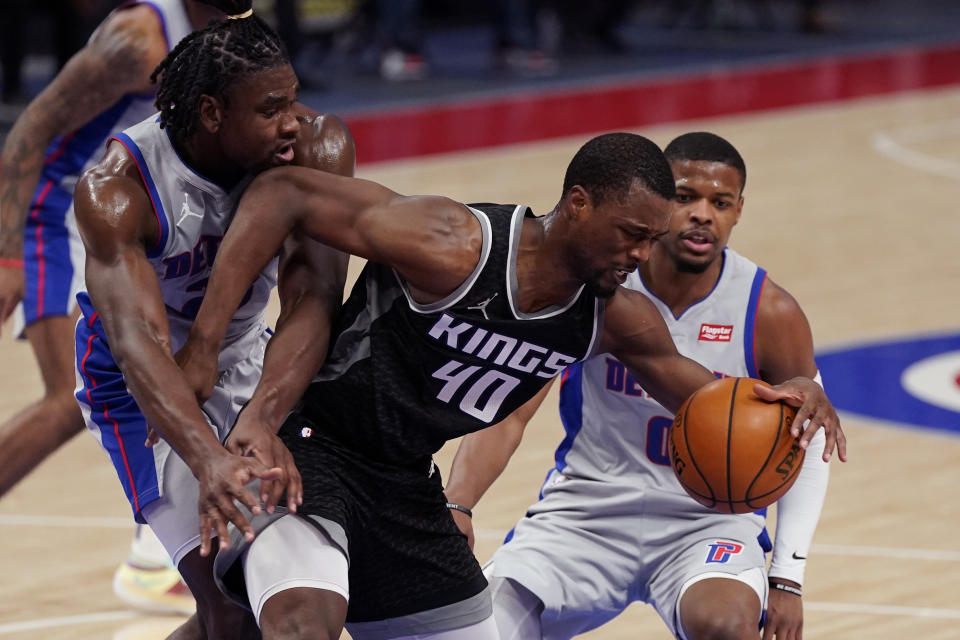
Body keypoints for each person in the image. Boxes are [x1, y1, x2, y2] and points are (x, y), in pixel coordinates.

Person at [176, 131, 844, 639]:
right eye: (632, 236)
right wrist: (210, 350)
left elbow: (709, 402)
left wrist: (793, 397)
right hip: (315, 450)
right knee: (302, 621)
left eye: (652, 241)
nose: (642, 256)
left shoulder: (612, 316)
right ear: (578, 205)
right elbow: (282, 193)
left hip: (405, 484)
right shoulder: (455, 245)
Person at [443, 131, 832, 640]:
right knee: (483, 628)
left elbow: (810, 436)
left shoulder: (769, 310)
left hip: (708, 522)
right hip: (588, 509)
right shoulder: (600, 285)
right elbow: (512, 412)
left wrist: (788, 577)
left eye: (720, 202)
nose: (702, 214)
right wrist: (457, 503)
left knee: (726, 626)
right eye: (686, 196)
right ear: (659, 202)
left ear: (739, 211)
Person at [70, 1, 355, 637]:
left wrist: (264, 414)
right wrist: (207, 459)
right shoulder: (120, 189)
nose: (292, 123)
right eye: (270, 109)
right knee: (227, 612)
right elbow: (137, 342)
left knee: (288, 602)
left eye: (293, 100)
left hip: (251, 356)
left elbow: (313, 297)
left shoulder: (314, 148)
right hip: (137, 389)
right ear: (210, 113)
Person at [0, 0, 227, 614]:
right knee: (68, 399)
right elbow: (33, 126)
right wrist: (7, 255)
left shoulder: (232, 31)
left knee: (164, 370)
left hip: (137, 217)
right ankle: (152, 560)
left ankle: (155, 556)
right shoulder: (139, 38)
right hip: (64, 215)